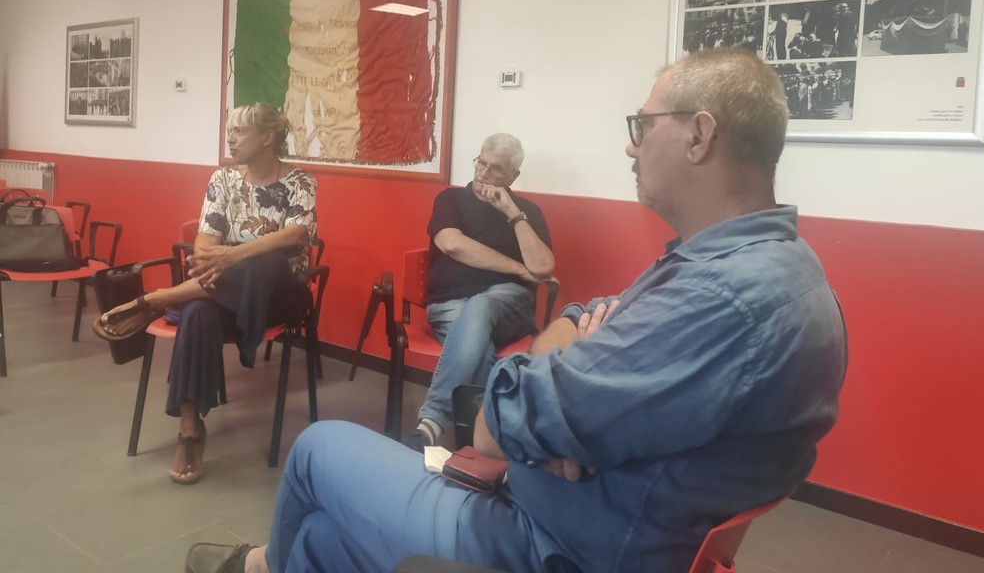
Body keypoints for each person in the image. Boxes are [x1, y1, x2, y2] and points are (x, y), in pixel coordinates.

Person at [184, 48, 846, 573]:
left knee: (316, 449)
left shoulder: (720, 298)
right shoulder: (758, 264)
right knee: (322, 537)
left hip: (544, 543)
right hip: (572, 504)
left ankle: (258, 566)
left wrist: (538, 392)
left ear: (699, 135)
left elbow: (494, 428)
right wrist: (561, 374)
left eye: (642, 126)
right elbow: (581, 310)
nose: (630, 146)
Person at [94, 102, 317, 485]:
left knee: (265, 262)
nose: (231, 139)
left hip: (279, 295)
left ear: (267, 137)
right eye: (229, 131)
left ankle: (163, 298)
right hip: (224, 293)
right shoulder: (223, 180)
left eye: (240, 131)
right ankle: (190, 430)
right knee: (197, 313)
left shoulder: (300, 182)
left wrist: (233, 255)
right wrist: (220, 257)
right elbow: (204, 244)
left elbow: (295, 234)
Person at [402, 133, 555, 452]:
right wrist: (517, 268)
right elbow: (452, 244)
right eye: (480, 163)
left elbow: (542, 268)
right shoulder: (450, 200)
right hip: (448, 303)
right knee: (479, 345)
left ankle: (432, 420)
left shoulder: (528, 211)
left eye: (495, 168)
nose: (483, 173)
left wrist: (513, 212)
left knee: (482, 305)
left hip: (509, 304)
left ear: (513, 175)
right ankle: (484, 443)